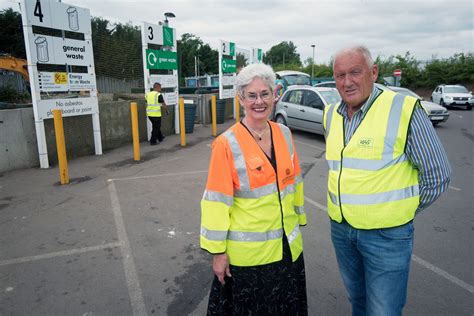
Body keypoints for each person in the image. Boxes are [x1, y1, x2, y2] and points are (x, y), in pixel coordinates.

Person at [324, 45, 451, 315]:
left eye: (355, 72)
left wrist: (400, 211)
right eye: (339, 75)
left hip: (387, 236)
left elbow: (437, 176)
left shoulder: (403, 109)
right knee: (357, 301)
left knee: (383, 310)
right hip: (342, 230)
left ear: (373, 72)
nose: (347, 82)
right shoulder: (331, 114)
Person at [200, 63, 308, 315]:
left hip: (287, 250)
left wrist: (299, 218)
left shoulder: (284, 133)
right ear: (241, 99)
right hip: (249, 260)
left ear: (274, 94)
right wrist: (217, 253)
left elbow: (294, 183)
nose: (259, 101)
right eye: (251, 95)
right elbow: (216, 202)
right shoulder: (226, 144)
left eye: (264, 94)